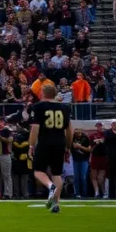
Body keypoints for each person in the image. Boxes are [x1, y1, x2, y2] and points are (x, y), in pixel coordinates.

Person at [29, 83, 73, 213]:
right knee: (57, 173)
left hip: (45, 141)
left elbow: (35, 128)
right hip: (60, 141)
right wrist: (68, 147)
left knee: (38, 170)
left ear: (43, 93)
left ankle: (50, 187)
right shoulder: (65, 107)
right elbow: (70, 130)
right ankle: (56, 204)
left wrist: (31, 145)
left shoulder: (38, 107)